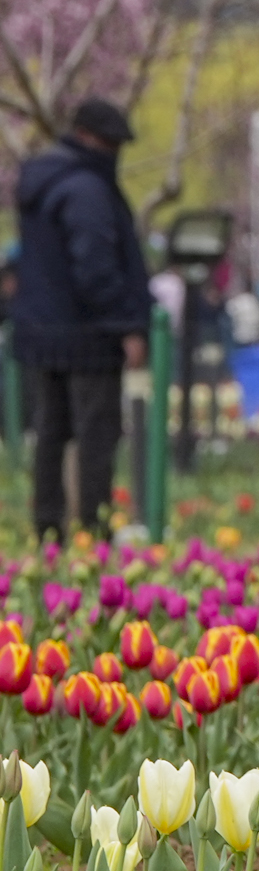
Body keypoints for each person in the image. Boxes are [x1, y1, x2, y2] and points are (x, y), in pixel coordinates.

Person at [12, 97, 145, 543]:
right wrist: (125, 324)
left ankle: (48, 529)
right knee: (95, 436)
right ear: (89, 137)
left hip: (43, 332)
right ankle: (94, 528)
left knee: (51, 433)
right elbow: (95, 266)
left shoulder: (44, 180)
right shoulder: (87, 189)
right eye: (111, 143)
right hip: (89, 334)